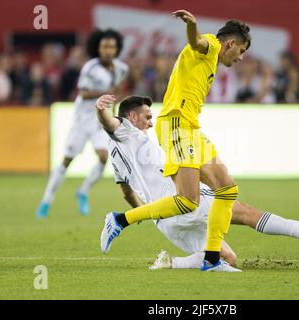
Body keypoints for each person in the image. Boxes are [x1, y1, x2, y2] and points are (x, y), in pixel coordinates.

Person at [95, 94, 299, 269]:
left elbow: (127, 194)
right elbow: (110, 123)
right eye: (147, 116)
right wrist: (101, 109)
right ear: (131, 117)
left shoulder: (117, 154)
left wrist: (146, 213)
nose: (151, 122)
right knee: (246, 213)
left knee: (227, 257)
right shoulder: (127, 131)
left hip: (165, 221)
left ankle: (172, 264)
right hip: (182, 200)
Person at [99, 10, 252, 272]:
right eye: (242, 50)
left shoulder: (210, 60)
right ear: (231, 43)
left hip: (189, 126)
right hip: (177, 123)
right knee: (188, 200)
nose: (240, 57)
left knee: (227, 190)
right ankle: (121, 220)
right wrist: (192, 25)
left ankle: (211, 259)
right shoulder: (211, 45)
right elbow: (196, 42)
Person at [36, 29, 129, 218]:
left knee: (104, 157)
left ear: (117, 48)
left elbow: (116, 92)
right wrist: (105, 92)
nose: (108, 50)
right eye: (104, 46)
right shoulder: (90, 68)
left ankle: (83, 190)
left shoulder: (121, 69)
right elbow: (83, 93)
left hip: (101, 120)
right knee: (67, 160)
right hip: (82, 120)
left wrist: (116, 111)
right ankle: (46, 200)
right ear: (98, 48)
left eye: (112, 46)